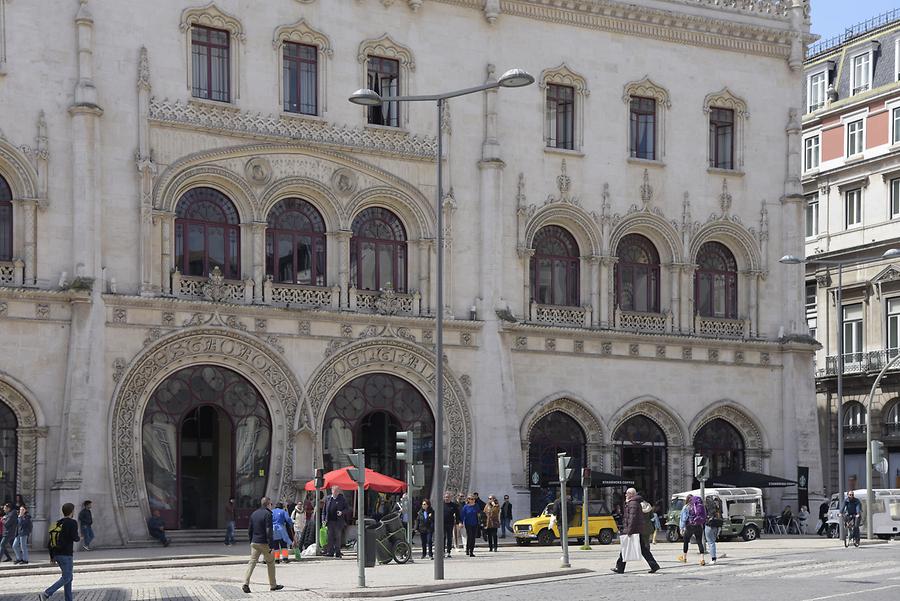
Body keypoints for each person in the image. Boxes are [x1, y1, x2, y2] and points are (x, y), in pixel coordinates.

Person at [611, 488, 660, 574]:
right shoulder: (634, 502)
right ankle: (654, 565)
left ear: (631, 494)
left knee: (626, 548)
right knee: (642, 549)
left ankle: (620, 567)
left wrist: (629, 531)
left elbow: (632, 518)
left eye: (627, 493)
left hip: (633, 530)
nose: (625, 495)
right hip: (636, 530)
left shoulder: (632, 503)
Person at [39, 502, 80, 601]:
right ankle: (46, 594)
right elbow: (75, 538)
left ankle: (68, 599)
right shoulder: (72, 522)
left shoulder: (57, 523)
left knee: (68, 577)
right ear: (72, 512)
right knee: (67, 577)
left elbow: (50, 542)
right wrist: (79, 537)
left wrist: (52, 556)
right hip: (66, 554)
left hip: (57, 554)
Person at [242, 497, 284, 594]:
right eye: (271, 504)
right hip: (264, 543)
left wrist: (251, 541)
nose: (271, 506)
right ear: (268, 504)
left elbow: (250, 530)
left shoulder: (254, 513)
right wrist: (271, 545)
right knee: (270, 563)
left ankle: (245, 583)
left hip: (255, 542)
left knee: (252, 563)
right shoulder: (268, 514)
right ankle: (273, 585)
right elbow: (268, 530)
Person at [677, 495, 706, 565]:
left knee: (686, 541)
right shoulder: (699, 506)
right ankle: (702, 559)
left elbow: (683, 519)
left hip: (689, 526)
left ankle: (684, 557)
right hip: (698, 525)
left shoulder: (686, 507)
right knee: (699, 541)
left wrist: (682, 528)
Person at [324, 486, 347, 559]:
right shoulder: (328, 499)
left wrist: (341, 512)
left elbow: (347, 509)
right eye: (334, 490)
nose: (336, 492)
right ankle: (330, 552)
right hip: (330, 521)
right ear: (332, 491)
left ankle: (337, 552)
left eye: (337, 491)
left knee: (337, 537)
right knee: (330, 537)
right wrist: (323, 519)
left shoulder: (342, 499)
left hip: (338, 521)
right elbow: (324, 510)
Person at [704, 496, 725, 564]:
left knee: (710, 542)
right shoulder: (718, 507)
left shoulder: (707, 507)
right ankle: (713, 558)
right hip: (717, 525)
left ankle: (713, 558)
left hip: (709, 525)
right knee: (713, 542)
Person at [441, 492, 458, 558]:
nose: (447, 498)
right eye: (446, 497)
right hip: (442, 524)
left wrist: (457, 522)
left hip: (450, 524)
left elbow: (457, 514)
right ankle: (442, 551)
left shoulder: (453, 505)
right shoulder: (441, 504)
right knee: (443, 537)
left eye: (448, 497)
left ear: (450, 498)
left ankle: (448, 551)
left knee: (449, 538)